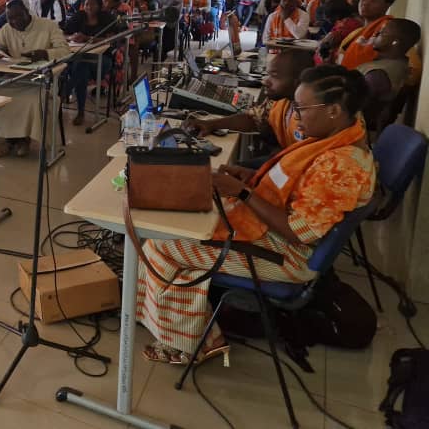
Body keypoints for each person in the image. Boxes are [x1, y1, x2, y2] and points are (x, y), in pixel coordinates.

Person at [138, 65, 376, 366]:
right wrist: (250, 177)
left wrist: (241, 192)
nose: (297, 118)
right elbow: (294, 188)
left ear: (333, 110)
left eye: (302, 109)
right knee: (186, 223)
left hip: (289, 257)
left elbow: (300, 232)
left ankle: (193, 344)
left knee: (161, 245)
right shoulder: (335, 140)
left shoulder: (342, 164)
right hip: (274, 236)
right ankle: (178, 320)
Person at [0, 0, 70, 157]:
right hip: (12, 79)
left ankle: (24, 139)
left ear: (27, 12)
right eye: (10, 18)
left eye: (19, 16)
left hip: (40, 81)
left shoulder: (48, 25)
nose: (15, 21)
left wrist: (45, 54)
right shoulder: (7, 29)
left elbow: (65, 51)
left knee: (32, 100)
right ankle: (3, 138)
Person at [188, 48, 316, 152]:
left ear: (297, 83)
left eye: (274, 76)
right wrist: (211, 124)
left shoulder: (312, 122)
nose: (265, 81)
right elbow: (252, 119)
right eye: (268, 74)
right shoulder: (280, 102)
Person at [63, 0, 126, 125]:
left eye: (92, 4)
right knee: (82, 69)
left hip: (103, 59)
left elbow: (112, 39)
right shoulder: (79, 17)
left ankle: (66, 92)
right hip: (81, 58)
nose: (89, 7)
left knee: (80, 67)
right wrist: (72, 37)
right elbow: (64, 33)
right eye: (86, 4)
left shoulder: (107, 18)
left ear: (99, 6)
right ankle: (79, 111)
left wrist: (87, 38)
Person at [358, 18, 421, 133]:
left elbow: (352, 110)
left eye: (382, 32)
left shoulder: (378, 75)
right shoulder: (393, 63)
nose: (376, 34)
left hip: (352, 131)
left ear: (395, 42)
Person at [337, 0, 397, 70]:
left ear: (387, 6)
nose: (365, 3)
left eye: (373, 1)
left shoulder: (389, 29)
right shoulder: (358, 32)